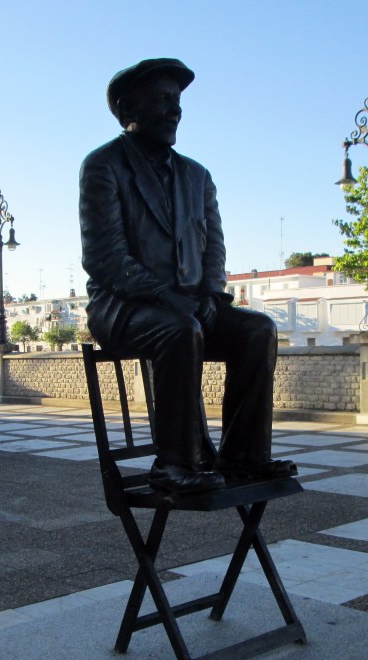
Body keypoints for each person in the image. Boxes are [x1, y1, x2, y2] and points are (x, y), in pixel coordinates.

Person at [79, 58, 296, 494]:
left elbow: (214, 248)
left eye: (177, 100)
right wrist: (163, 295)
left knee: (257, 330)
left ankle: (245, 458)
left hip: (193, 308)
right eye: (162, 99)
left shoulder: (198, 176)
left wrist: (212, 295)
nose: (175, 109)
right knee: (179, 331)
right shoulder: (103, 165)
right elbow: (105, 257)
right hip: (124, 308)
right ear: (127, 109)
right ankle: (175, 464)